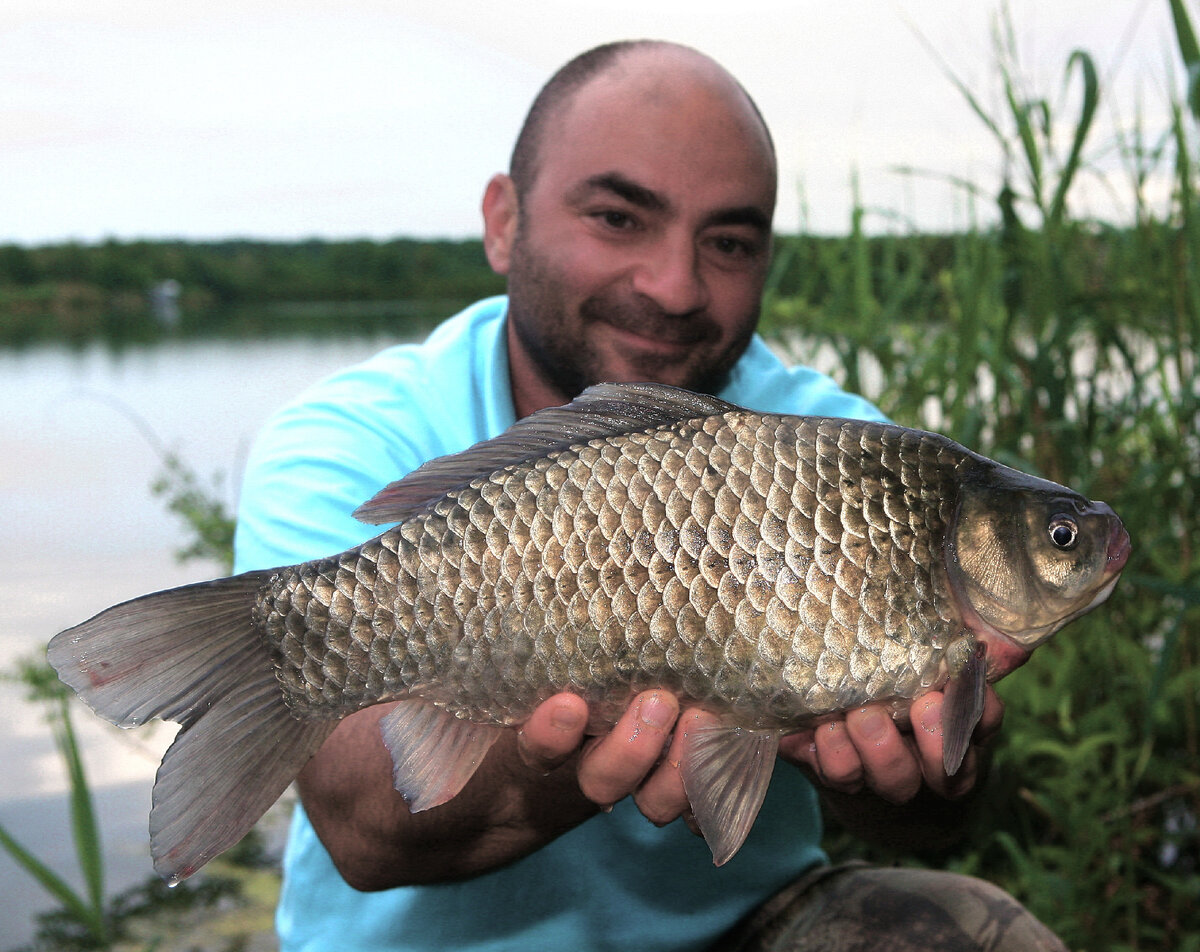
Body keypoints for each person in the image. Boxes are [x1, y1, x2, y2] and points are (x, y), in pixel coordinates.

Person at [233, 39, 1066, 952]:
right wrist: (595, 726)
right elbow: (363, 827)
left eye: (730, 241)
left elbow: (935, 825)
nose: (675, 287)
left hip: (746, 926)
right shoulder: (346, 439)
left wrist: (932, 770)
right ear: (503, 220)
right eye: (618, 217)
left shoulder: (843, 453)